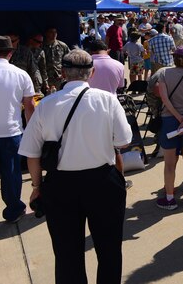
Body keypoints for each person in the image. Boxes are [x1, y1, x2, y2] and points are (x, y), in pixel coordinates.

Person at [18, 49, 132, 284]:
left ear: (62, 73)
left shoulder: (46, 105)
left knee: (67, 254)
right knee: (109, 249)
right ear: (91, 72)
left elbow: (31, 154)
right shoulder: (107, 100)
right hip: (102, 181)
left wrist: (37, 185)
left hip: (61, 185)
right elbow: (124, 141)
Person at [0, 35, 36, 223]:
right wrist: (33, 131)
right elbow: (29, 106)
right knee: (11, 172)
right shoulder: (20, 74)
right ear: (11, 53)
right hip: (10, 132)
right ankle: (13, 209)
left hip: (10, 132)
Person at [155, 46, 183, 210]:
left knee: (169, 163)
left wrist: (178, 117)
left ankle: (170, 197)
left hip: (169, 121)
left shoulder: (164, 74)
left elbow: (164, 98)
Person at [43, 27, 70, 93]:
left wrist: (65, 73)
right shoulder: (41, 45)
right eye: (51, 32)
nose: (54, 34)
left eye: (55, 32)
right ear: (46, 34)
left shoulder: (62, 45)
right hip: (47, 78)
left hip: (59, 78)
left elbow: (69, 59)